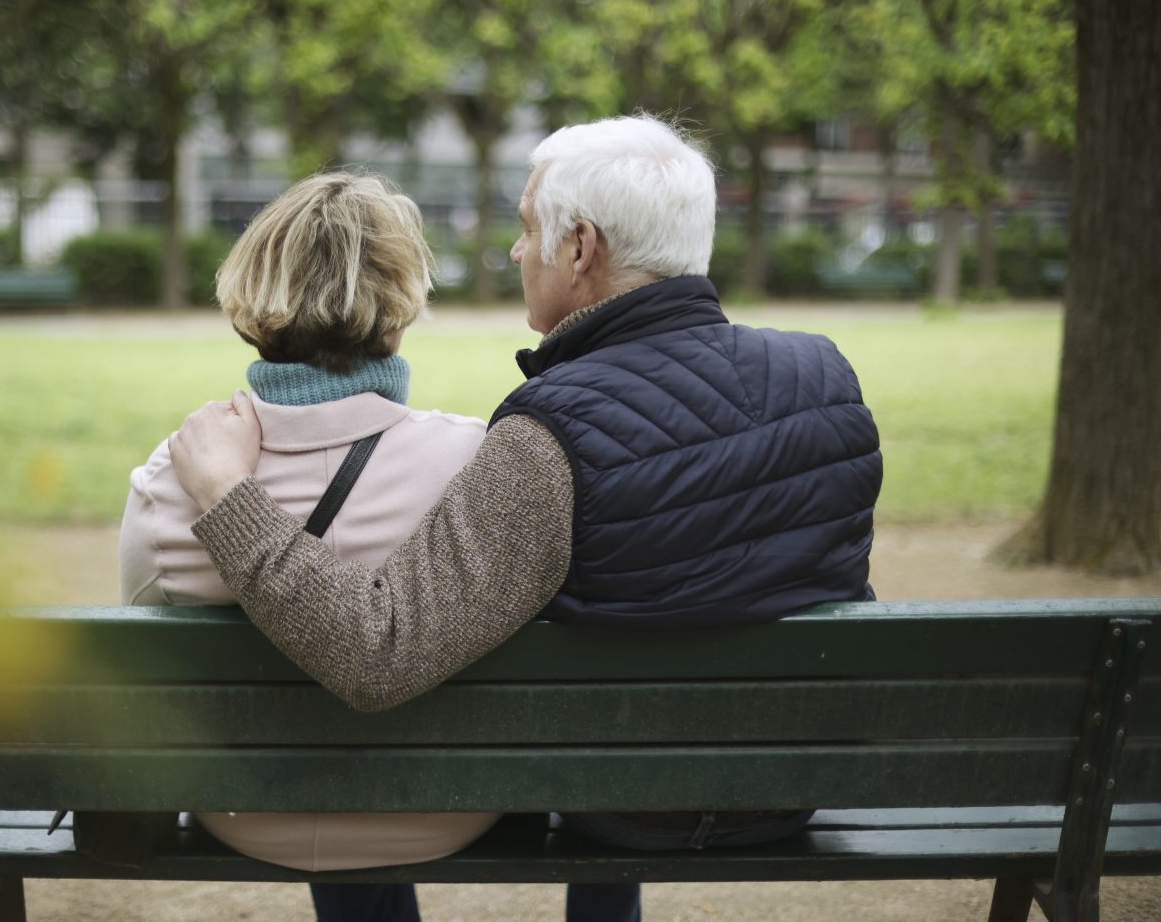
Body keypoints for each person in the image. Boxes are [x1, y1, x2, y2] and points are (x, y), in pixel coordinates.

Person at [171, 115, 883, 922]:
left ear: (580, 248)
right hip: (791, 786)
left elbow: (378, 653)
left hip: (622, 804)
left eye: (524, 229)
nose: (515, 253)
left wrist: (230, 498)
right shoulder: (827, 378)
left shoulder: (548, 436)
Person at [114, 172, 501, 915]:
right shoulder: (474, 461)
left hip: (245, 809)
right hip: (443, 802)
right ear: (398, 308)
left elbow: (143, 649)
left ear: (257, 304)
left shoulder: (172, 479)